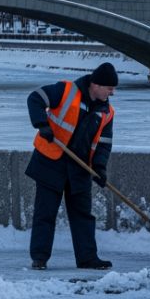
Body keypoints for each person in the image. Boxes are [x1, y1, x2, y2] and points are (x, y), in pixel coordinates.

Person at [25, 61, 117, 271]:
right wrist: (42, 124)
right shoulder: (65, 91)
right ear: (96, 85)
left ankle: (87, 258)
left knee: (83, 215)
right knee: (45, 212)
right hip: (51, 161)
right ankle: (39, 258)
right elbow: (35, 98)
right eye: (110, 88)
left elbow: (103, 144)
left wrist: (100, 168)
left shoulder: (107, 112)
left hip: (81, 168)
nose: (112, 93)